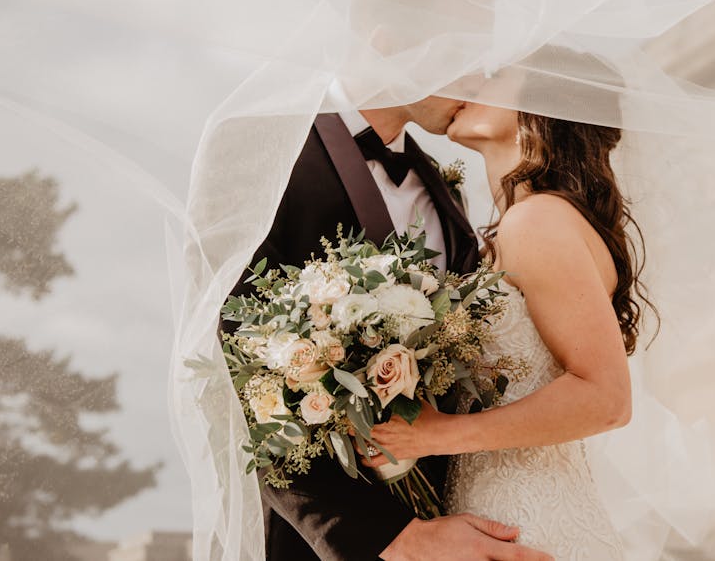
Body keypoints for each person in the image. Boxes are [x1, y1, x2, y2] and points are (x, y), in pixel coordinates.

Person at [228, 91, 552, 561]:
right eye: (466, 53)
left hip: (462, 524)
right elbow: (238, 373)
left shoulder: (445, 191)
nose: (478, 82)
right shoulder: (264, 150)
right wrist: (394, 538)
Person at [360, 56, 646, 559]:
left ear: (542, 107)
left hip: (529, 521)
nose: (467, 80)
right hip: (496, 513)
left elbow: (607, 398)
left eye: (493, 75)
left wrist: (437, 435)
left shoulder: (537, 222)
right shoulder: (520, 225)